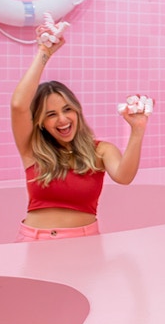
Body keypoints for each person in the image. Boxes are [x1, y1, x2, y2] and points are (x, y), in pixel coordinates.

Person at [10, 27, 149, 241]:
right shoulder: (32, 149)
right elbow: (19, 105)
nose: (63, 120)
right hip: (34, 240)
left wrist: (137, 131)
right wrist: (44, 52)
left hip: (84, 242)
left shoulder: (101, 150)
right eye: (51, 115)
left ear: (77, 111)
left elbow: (124, 176)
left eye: (67, 110)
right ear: (41, 123)